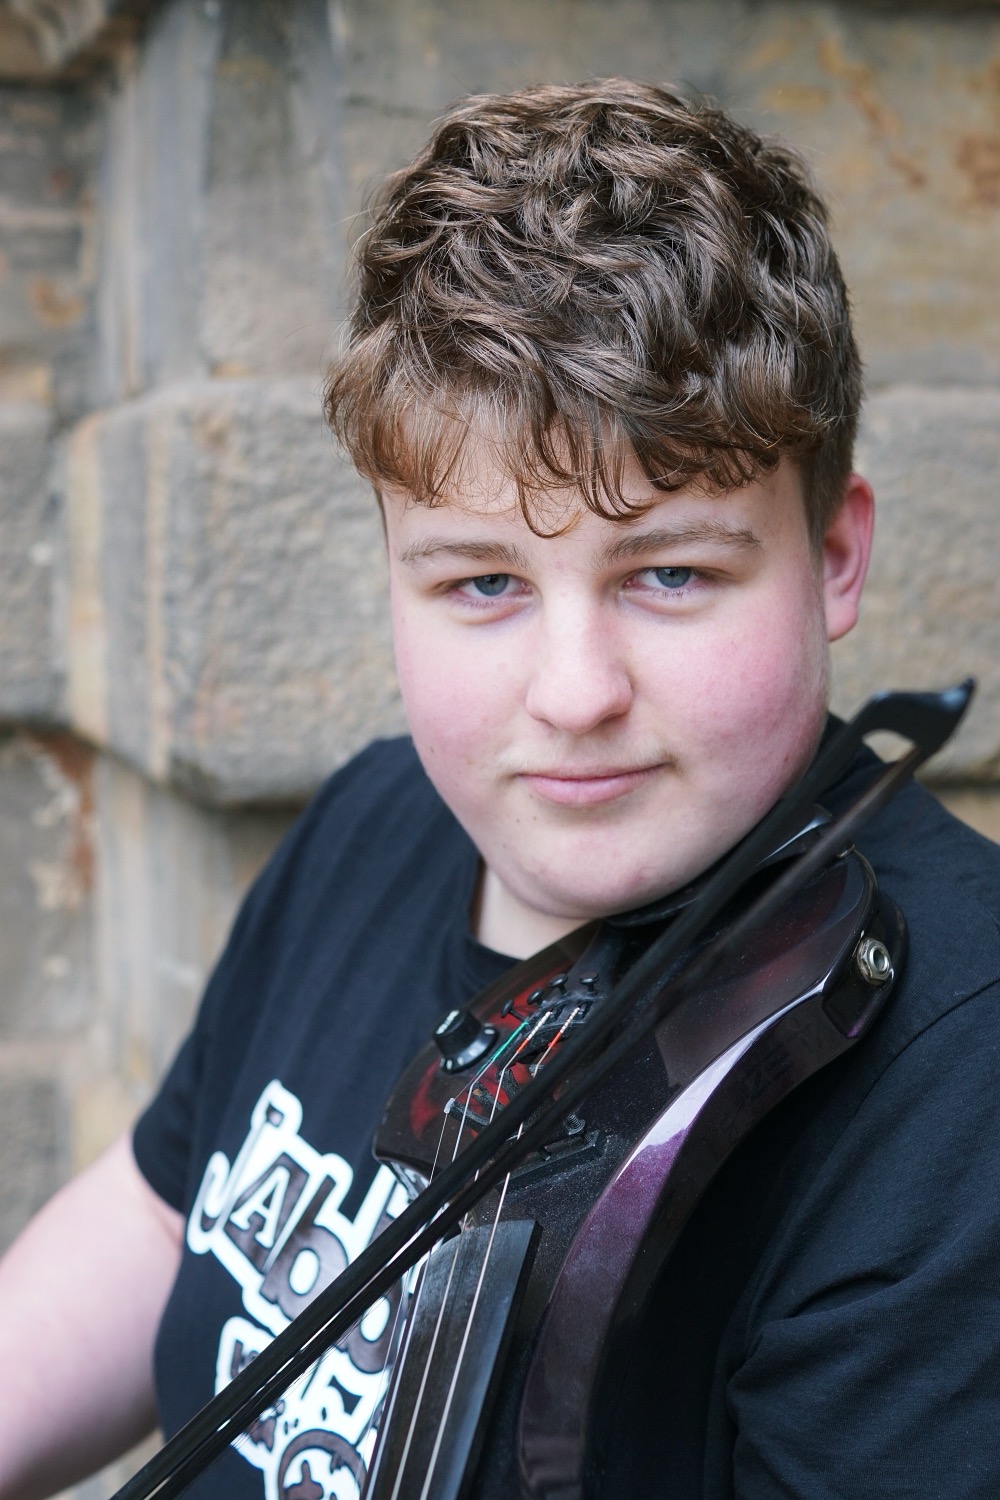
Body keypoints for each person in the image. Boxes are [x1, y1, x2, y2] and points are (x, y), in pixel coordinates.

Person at [0, 77, 998, 1500]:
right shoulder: (376, 817)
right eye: (483, 583)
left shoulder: (959, 1081)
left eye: (671, 573)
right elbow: (172, 1222)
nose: (573, 692)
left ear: (834, 557)